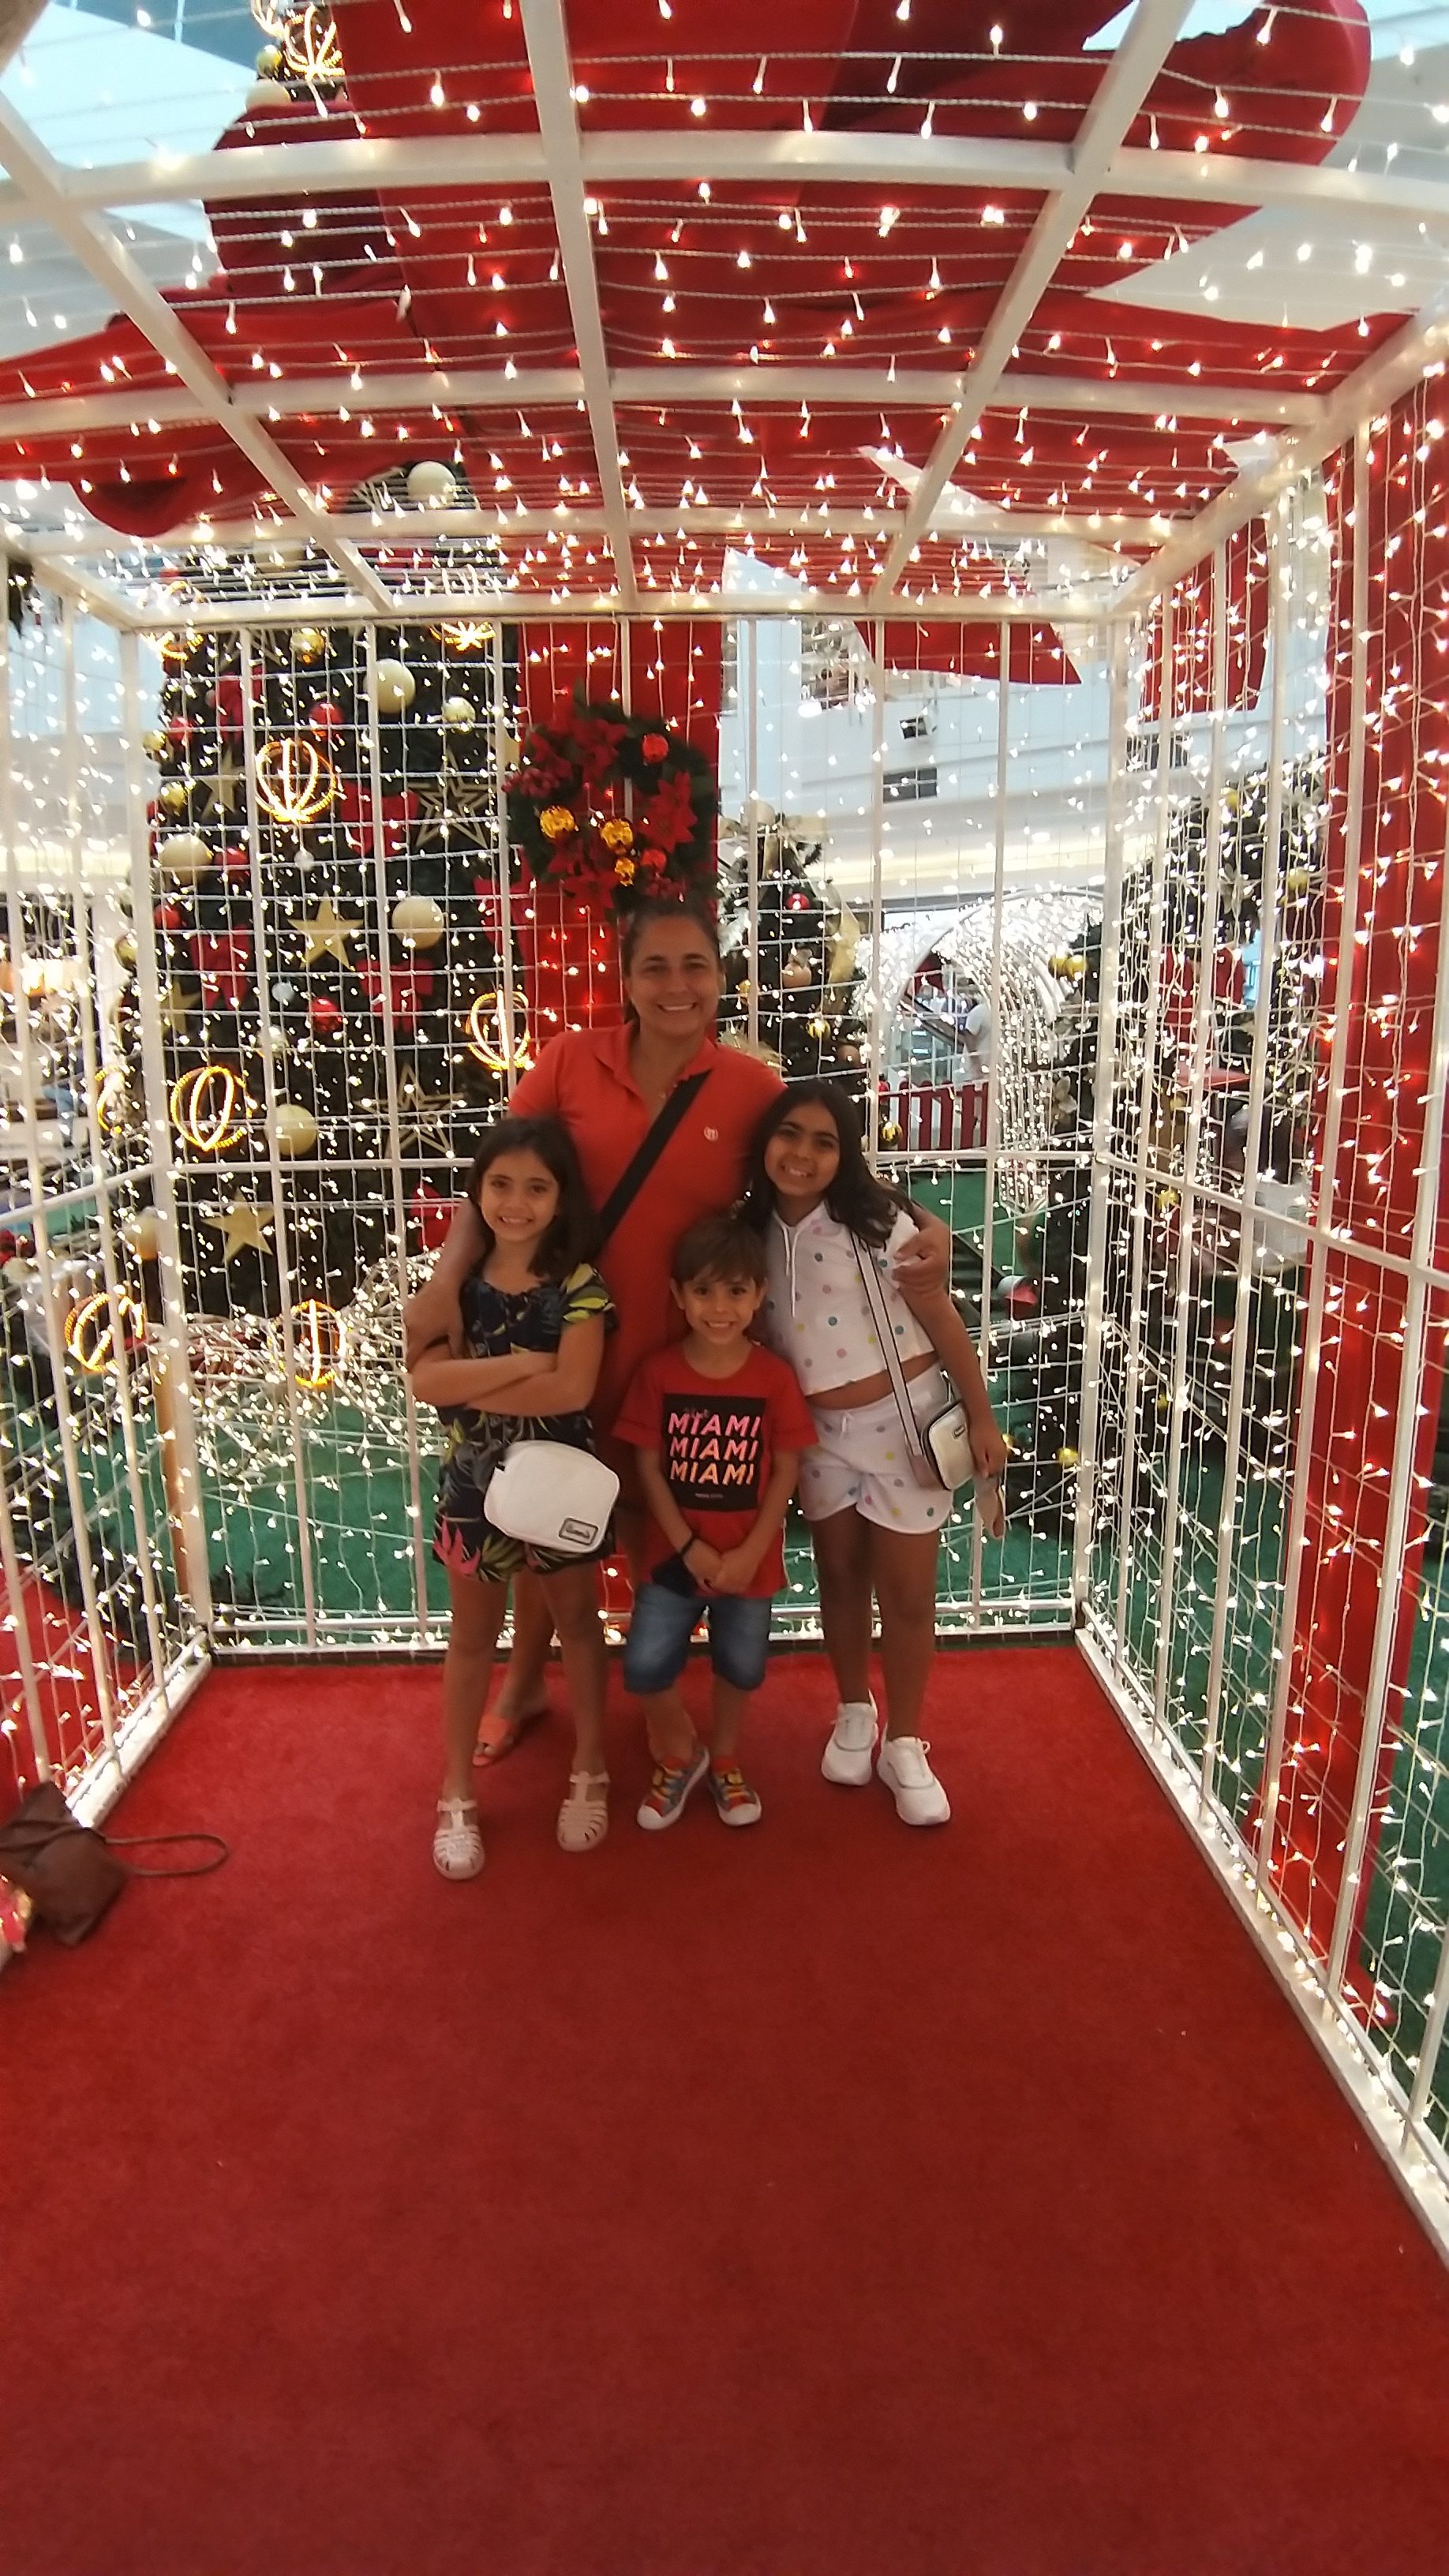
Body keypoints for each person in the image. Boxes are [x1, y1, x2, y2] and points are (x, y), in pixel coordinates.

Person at [404, 893, 953, 1758]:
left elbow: (824, 1169)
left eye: (694, 965)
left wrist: (927, 1224)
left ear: (720, 978)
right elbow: (500, 1173)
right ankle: (523, 1681)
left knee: (648, 1515)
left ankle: (653, 1691)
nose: (675, 985)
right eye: (654, 966)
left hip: (680, 1346)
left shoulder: (750, 1089)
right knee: (541, 1502)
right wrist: (444, 1282)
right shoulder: (567, 1062)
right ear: (625, 979)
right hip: (559, 1335)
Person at [743, 1080, 1009, 1827]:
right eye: (789, 1134)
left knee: (909, 1594)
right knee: (839, 1577)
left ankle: (906, 1740)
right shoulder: (749, 1228)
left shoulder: (876, 1222)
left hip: (904, 1424)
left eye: (825, 1142)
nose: (802, 1154)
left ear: (847, 1154)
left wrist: (981, 1416)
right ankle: (854, 1708)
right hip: (817, 1437)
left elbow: (941, 1316)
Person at [407, 1115, 614, 1877]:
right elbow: (425, 1381)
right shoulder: (454, 1288)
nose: (516, 1203)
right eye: (500, 1185)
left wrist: (471, 1382)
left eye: (536, 1187)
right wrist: (527, 1365)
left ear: (561, 1198)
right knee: (470, 1638)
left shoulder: (581, 1286)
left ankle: (590, 1764)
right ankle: (456, 1791)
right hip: (472, 1486)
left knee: (578, 1624)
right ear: (477, 1192)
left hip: (561, 1478)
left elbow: (573, 1389)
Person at [612, 1212, 815, 1831]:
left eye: (735, 1291)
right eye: (703, 1291)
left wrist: (751, 1551)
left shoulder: (774, 1378)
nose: (719, 1308)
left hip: (750, 1564)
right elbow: (648, 1469)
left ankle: (725, 1757)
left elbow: (786, 1470)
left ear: (759, 1295)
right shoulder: (659, 1373)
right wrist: (687, 1546)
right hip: (672, 1561)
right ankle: (681, 1751)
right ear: (679, 1295)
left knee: (741, 1666)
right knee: (645, 1666)